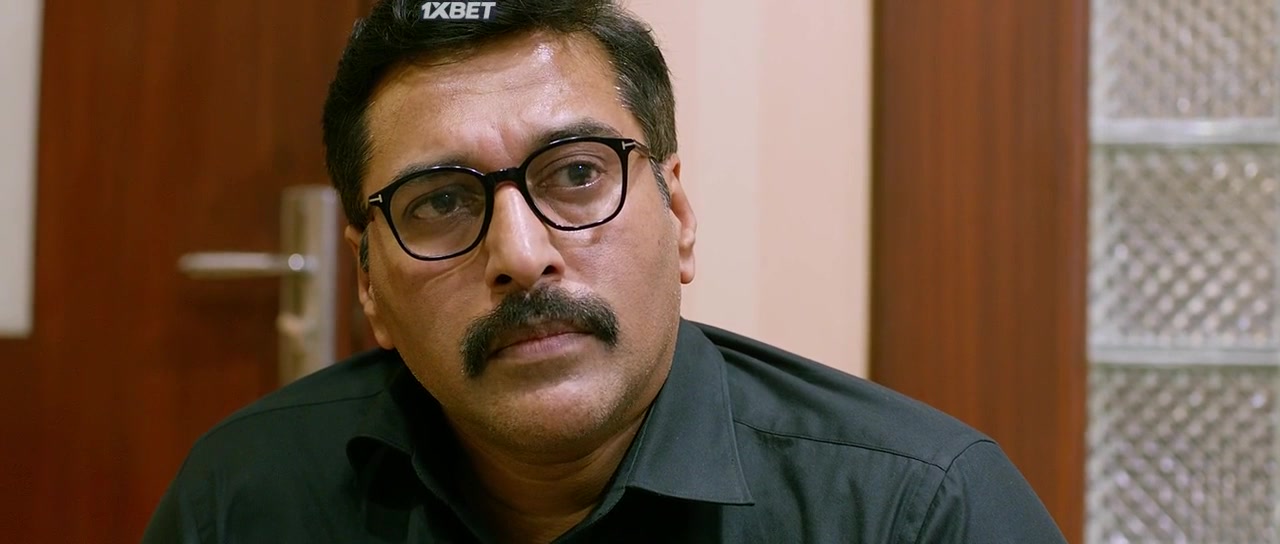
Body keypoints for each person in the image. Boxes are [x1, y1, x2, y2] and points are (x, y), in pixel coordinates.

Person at [143, 0, 1067, 542]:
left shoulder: (915, 512)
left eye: (578, 174)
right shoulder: (245, 499)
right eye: (441, 201)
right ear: (368, 286)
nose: (521, 254)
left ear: (680, 216)